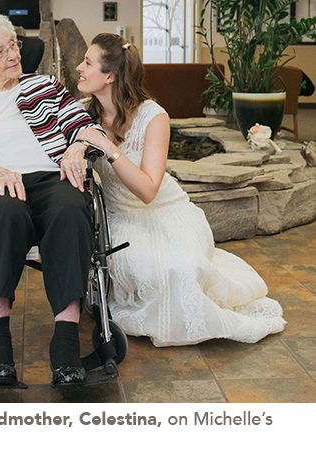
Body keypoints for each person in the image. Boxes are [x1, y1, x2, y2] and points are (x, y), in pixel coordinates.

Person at [75, 33, 286, 346]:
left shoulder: (153, 116)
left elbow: (148, 190)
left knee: (183, 269)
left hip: (166, 212)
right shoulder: (81, 113)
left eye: (87, 62)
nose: (79, 67)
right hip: (121, 219)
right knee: (157, 273)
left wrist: (108, 147)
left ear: (110, 76)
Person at [0, 12, 101, 385]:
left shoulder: (46, 85)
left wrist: (77, 147)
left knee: (70, 209)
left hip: (50, 175)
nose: (13, 55)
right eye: (0, 51)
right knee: (6, 212)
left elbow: (83, 125)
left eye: (13, 45)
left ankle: (65, 346)